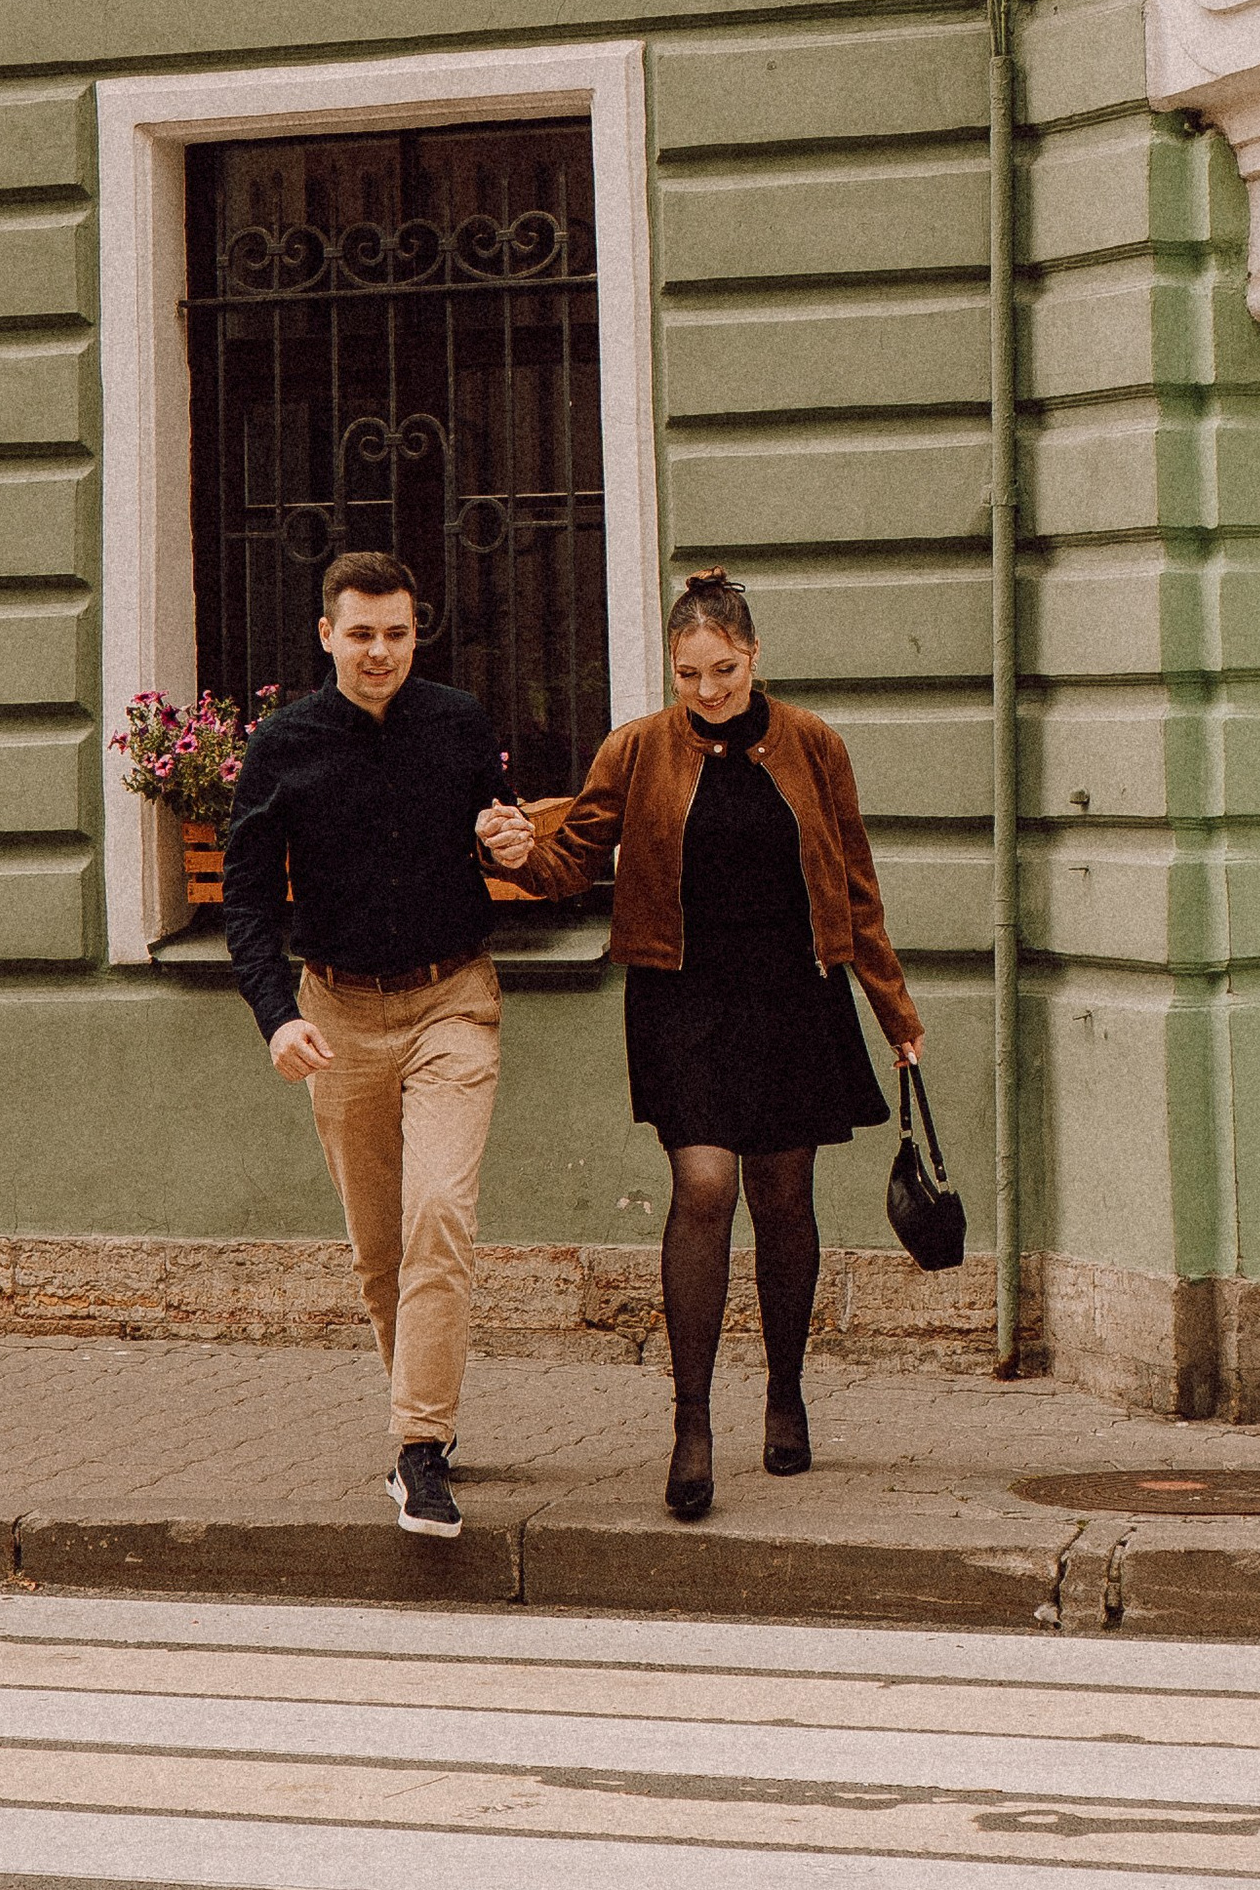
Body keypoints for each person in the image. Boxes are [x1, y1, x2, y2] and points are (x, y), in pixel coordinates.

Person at [478, 570, 922, 1522]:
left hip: (792, 994)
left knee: (783, 1193)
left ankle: (787, 1391)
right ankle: (691, 1424)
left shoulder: (813, 746)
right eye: (690, 675)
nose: (709, 691)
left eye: (723, 670)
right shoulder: (637, 750)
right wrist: (511, 854)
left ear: (753, 656)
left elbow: (855, 885)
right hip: (681, 996)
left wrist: (895, 1012)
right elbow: (573, 859)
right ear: (672, 671)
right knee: (706, 1186)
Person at [220, 549, 508, 1542]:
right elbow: (248, 900)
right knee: (379, 1248)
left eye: (395, 633)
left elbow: (488, 836)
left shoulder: (460, 724)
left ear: (414, 633)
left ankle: (419, 1450)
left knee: (437, 1213)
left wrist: (505, 844)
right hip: (335, 1015)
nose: (378, 651)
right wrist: (277, 1016)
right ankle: (421, 1416)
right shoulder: (285, 745)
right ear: (326, 636)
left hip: (450, 1003)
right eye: (360, 634)